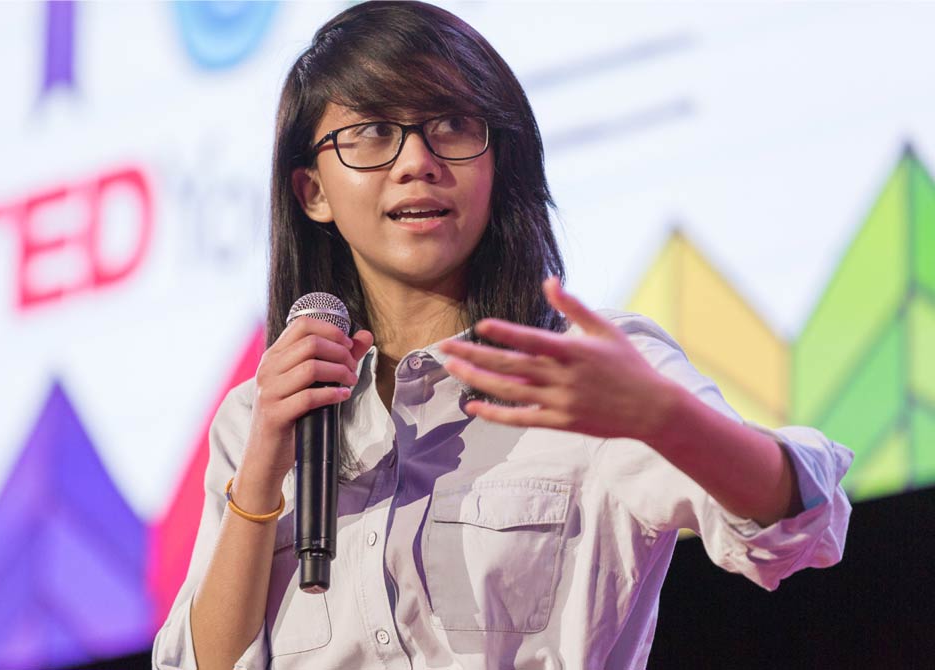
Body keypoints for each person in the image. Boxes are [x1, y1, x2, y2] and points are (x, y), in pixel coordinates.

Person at [153, 2, 852, 668]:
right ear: (313, 192)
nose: (415, 160)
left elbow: (801, 530)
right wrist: (265, 464)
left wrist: (660, 415)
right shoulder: (256, 420)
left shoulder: (593, 375)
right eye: (371, 133)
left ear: (497, 161)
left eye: (452, 125)